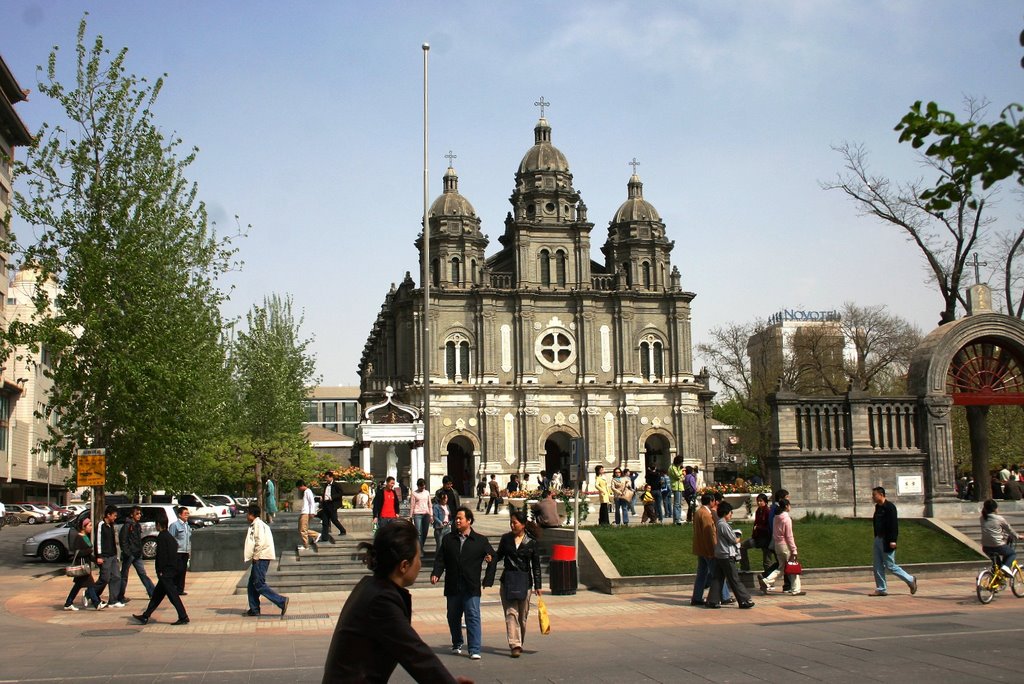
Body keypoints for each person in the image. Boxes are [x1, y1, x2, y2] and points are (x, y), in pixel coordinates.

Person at [322, 519, 471, 683]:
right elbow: (415, 653)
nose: (420, 564)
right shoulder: (381, 600)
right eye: (418, 558)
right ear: (404, 565)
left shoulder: (371, 587)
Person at [431, 507, 495, 660]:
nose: (457, 521)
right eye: (456, 518)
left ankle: (474, 649)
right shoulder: (448, 539)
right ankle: (457, 642)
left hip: (471, 586)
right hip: (453, 585)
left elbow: (493, 556)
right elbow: (441, 559)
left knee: (472, 616)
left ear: (469, 521)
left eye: (460, 518)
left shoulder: (480, 540)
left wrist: (488, 577)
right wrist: (436, 573)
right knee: (453, 616)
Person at [483, 509, 543, 658]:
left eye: (515, 523)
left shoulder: (531, 542)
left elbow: (536, 565)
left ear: (523, 525)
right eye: (511, 522)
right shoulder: (506, 539)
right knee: (511, 613)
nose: (512, 525)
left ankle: (519, 640)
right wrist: (492, 559)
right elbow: (499, 555)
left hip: (524, 582)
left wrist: (538, 585)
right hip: (508, 580)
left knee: (522, 616)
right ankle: (515, 644)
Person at [132, 518, 189, 625]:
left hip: (166, 573)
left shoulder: (162, 537)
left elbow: (162, 556)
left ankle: (183, 616)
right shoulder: (169, 536)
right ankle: (146, 615)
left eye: (156, 524)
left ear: (158, 524)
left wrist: (161, 571)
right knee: (157, 596)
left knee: (173, 595)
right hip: (169, 571)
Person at [705, 502, 755, 609]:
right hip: (726, 555)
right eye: (730, 513)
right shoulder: (723, 524)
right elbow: (732, 539)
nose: (731, 514)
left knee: (718, 578)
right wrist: (738, 538)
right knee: (734, 578)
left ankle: (712, 600)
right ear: (726, 513)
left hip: (720, 554)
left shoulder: (719, 523)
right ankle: (744, 600)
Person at [870, 486, 918, 596]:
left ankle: (910, 579)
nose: (873, 497)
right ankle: (881, 589)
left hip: (887, 540)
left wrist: (893, 540)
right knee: (877, 565)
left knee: (890, 565)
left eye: (874, 495)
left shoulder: (890, 507)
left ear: (881, 495)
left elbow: (893, 525)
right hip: (878, 539)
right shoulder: (878, 507)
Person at [243, 504, 289, 618]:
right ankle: (254, 608)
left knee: (259, 584)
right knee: (251, 585)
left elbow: (260, 542)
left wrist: (256, 556)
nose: (246, 515)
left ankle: (281, 601)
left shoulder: (258, 525)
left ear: (252, 514)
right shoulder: (257, 524)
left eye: (247, 513)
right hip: (261, 557)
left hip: (261, 558)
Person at [759, 498, 803, 595]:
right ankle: (796, 589)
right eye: (789, 505)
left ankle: (767, 580)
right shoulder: (787, 519)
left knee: (781, 567)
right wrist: (794, 550)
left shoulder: (776, 517)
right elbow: (789, 536)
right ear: (787, 506)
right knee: (792, 566)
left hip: (777, 545)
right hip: (785, 545)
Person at [116, 505, 154, 605]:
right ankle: (119, 595)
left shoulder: (137, 525)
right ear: (132, 514)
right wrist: (127, 552)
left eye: (140, 513)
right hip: (130, 554)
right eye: (137, 513)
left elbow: (138, 540)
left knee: (142, 573)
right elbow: (123, 540)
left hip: (137, 554)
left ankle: (152, 592)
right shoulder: (128, 525)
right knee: (124, 575)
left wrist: (139, 551)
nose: (139, 515)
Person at [62, 517, 103, 611]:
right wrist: (89, 551)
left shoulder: (86, 537)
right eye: (89, 525)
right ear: (84, 527)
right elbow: (78, 552)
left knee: (77, 586)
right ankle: (97, 603)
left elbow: (89, 553)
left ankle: (68, 603)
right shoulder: (78, 537)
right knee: (91, 584)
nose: (91, 527)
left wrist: (96, 560)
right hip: (82, 565)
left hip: (86, 564)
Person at [93, 505, 124, 607]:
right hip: (104, 556)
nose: (115, 517)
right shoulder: (101, 525)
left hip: (113, 555)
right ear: (108, 515)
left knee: (116, 576)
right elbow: (98, 541)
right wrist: (99, 556)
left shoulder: (111, 525)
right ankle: (91, 593)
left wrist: (117, 554)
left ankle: (113, 600)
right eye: (114, 515)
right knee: (105, 578)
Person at [981, 498, 1018, 575]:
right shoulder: (999, 518)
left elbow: (991, 529)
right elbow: (1009, 530)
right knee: (1012, 553)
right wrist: (1017, 536)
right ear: (995, 508)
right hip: (997, 545)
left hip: (985, 547)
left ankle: (996, 580)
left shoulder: (982, 518)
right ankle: (1006, 567)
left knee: (997, 565)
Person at [740, 493, 771, 573]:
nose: (759, 503)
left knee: (767, 562)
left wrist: (758, 528)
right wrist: (754, 533)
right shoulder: (758, 511)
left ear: (765, 502)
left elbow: (769, 528)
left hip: (766, 540)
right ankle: (745, 567)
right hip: (757, 538)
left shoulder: (768, 512)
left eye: (761, 501)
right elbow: (756, 524)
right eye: (758, 501)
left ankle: (769, 581)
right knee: (742, 546)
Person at [167, 506, 192, 595]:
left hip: (185, 552)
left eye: (187, 513)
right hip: (177, 552)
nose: (187, 515)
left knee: (183, 571)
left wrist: (189, 551)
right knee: (177, 570)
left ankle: (180, 590)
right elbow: (171, 538)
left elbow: (189, 539)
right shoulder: (175, 525)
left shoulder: (187, 525)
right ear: (179, 515)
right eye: (185, 514)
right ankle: (173, 588)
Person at [320, 471, 347, 542]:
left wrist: (332, 497)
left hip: (332, 505)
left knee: (334, 519)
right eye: (325, 478)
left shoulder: (336, 485)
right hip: (325, 504)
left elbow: (341, 493)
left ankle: (343, 530)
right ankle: (324, 537)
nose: (326, 479)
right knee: (325, 521)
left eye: (327, 478)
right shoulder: (325, 485)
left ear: (331, 477)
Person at [297, 479, 321, 551]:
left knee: (302, 530)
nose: (299, 489)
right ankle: (315, 534)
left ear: (301, 486)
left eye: (299, 487)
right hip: (304, 512)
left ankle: (305, 545)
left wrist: (312, 512)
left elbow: (312, 503)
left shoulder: (308, 492)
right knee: (301, 529)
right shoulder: (306, 492)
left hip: (306, 513)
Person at [409, 478, 433, 549]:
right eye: (421, 486)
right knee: (419, 532)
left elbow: (430, 504)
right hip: (417, 514)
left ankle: (421, 546)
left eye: (424, 486)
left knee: (425, 532)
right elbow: (412, 505)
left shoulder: (427, 492)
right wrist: (411, 516)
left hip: (426, 514)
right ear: (418, 486)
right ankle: (420, 549)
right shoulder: (414, 493)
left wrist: (431, 515)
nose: (423, 487)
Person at [668, 456, 685, 525]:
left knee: (679, 504)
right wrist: (682, 472)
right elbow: (678, 476)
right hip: (676, 486)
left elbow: (682, 477)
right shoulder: (672, 468)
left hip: (680, 486)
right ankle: (676, 519)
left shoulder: (677, 467)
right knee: (676, 504)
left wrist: (682, 475)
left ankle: (678, 517)